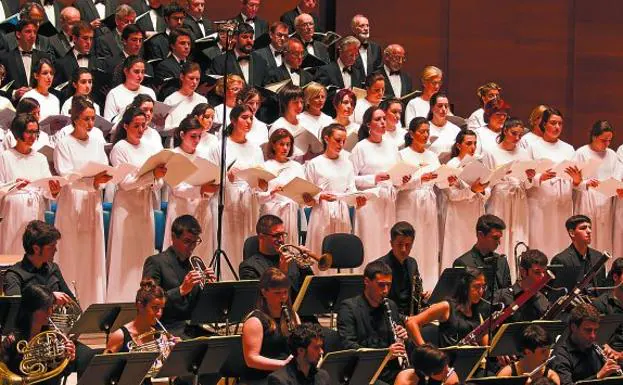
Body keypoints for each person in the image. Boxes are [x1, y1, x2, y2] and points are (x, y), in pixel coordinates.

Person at [53, 97, 110, 309]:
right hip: (72, 206)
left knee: (91, 256)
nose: (90, 123)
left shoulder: (96, 142)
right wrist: (91, 180)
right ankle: (69, 307)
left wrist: (99, 182)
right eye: (86, 119)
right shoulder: (64, 144)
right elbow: (67, 176)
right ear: (75, 119)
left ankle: (91, 305)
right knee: (71, 254)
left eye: (93, 119)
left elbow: (104, 171)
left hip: (92, 203)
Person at [106, 107, 167, 302]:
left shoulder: (149, 148)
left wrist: (156, 178)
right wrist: (150, 176)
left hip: (144, 207)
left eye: (143, 125)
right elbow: (124, 183)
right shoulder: (120, 148)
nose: (141, 129)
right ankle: (121, 299)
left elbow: (158, 183)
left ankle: (143, 299)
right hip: (126, 209)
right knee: (125, 257)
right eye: (136, 126)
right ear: (125, 126)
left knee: (143, 254)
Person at [206, 105, 265, 280]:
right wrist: (226, 176)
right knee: (229, 242)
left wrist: (262, 181)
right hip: (229, 200)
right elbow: (211, 178)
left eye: (251, 118)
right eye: (244, 117)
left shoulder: (255, 148)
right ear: (233, 120)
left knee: (248, 242)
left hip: (249, 202)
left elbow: (260, 178)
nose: (248, 122)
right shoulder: (220, 146)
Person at [351, 106, 410, 266]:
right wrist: (374, 178)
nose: (383, 122)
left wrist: (401, 181)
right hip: (369, 203)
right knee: (370, 241)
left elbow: (395, 175)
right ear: (368, 124)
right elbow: (351, 180)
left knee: (386, 241)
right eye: (378, 119)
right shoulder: (360, 147)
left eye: (384, 118)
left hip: (388, 201)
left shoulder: (391, 146)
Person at [142, 214, 215, 337]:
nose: (191, 247)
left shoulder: (194, 265)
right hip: (166, 328)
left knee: (225, 345)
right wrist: (181, 290)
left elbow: (200, 308)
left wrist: (211, 289)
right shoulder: (156, 262)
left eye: (195, 242)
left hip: (190, 328)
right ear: (174, 237)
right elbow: (148, 300)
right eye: (187, 241)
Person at [337, 260, 408, 385]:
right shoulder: (349, 308)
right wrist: (384, 354)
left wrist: (402, 338)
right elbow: (348, 346)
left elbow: (397, 346)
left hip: (390, 370)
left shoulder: (391, 306)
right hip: (364, 373)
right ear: (366, 282)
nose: (386, 290)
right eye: (381, 285)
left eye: (389, 285)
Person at [304, 123, 366, 257]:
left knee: (340, 253)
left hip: (341, 213)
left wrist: (357, 201)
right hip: (322, 213)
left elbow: (351, 190)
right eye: (338, 140)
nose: (341, 144)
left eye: (344, 141)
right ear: (326, 138)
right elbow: (308, 195)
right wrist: (319, 196)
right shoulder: (314, 163)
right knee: (320, 250)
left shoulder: (347, 164)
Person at [0, 115, 59, 254]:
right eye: (29, 132)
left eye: (36, 132)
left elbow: (47, 188)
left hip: (35, 212)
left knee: (34, 252)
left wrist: (54, 191)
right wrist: (14, 185)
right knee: (12, 251)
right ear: (18, 132)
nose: (33, 136)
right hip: (13, 215)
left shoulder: (40, 158)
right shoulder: (5, 157)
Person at [162, 115, 219, 261]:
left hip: (202, 209)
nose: (197, 141)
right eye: (193, 136)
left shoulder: (203, 156)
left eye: (199, 136)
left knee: (202, 252)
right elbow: (177, 188)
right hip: (181, 209)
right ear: (182, 134)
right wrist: (199, 189)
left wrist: (212, 187)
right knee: (180, 254)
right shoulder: (173, 155)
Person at [481, 118, 535, 269]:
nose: (517, 138)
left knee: (518, 235)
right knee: (500, 235)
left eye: (520, 135)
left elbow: (527, 184)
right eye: (514, 133)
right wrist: (499, 175)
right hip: (500, 198)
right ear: (505, 131)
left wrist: (530, 178)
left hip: (519, 198)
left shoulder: (524, 153)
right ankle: (500, 273)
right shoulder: (491, 152)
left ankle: (518, 274)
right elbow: (486, 180)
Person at [526, 107, 579, 258]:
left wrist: (576, 180)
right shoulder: (533, 147)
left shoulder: (568, 149)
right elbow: (525, 178)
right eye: (553, 123)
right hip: (540, 203)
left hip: (562, 203)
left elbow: (576, 178)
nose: (557, 127)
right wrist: (539, 177)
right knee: (541, 242)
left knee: (561, 241)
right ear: (543, 124)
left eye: (560, 124)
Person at [396, 117, 440, 291]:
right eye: (421, 131)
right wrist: (419, 179)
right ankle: (407, 286)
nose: (425, 135)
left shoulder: (433, 156)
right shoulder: (402, 154)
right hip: (409, 202)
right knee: (410, 241)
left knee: (428, 243)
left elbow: (439, 181)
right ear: (412, 133)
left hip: (428, 201)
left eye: (427, 131)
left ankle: (428, 287)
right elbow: (398, 182)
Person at [0, 285, 76, 385]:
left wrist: (69, 358)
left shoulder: (54, 338)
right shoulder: (12, 340)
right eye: (45, 309)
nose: (50, 312)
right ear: (31, 309)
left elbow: (62, 374)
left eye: (51, 307)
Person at [440, 131, 490, 270]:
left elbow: (488, 189)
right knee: (458, 247)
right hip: (458, 215)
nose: (472, 147)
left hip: (475, 212)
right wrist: (472, 190)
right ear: (458, 145)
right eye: (468, 143)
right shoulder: (452, 165)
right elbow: (452, 195)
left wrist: (482, 189)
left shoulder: (478, 163)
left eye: (474, 143)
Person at [240, 268, 298, 385]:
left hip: (286, 375)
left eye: (285, 292)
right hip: (261, 378)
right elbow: (251, 359)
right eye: (277, 293)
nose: (283, 297)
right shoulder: (255, 321)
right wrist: (283, 365)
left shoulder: (292, 315)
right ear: (264, 292)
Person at [406, 266, 490, 347]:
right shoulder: (446, 307)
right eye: (477, 286)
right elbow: (411, 322)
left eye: (483, 286)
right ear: (464, 287)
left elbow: (484, 347)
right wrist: (424, 349)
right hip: (448, 360)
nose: (481, 291)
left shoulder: (476, 312)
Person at [572, 120, 617, 257]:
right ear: (594, 137)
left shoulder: (612, 155)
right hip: (587, 199)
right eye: (604, 140)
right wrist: (585, 183)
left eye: (609, 140)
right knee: (588, 236)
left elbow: (616, 176)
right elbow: (573, 181)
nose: (607, 144)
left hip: (605, 200)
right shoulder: (582, 153)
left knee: (604, 237)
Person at [240, 214, 313, 299]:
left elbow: (310, 290)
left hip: (298, 311)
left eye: (283, 234)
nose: (281, 239)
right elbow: (257, 299)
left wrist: (305, 265)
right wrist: (282, 273)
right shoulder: (248, 267)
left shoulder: (293, 259)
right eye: (276, 235)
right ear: (261, 237)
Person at [3, 220, 74, 304]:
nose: (55, 250)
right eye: (51, 246)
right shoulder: (14, 275)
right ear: (36, 248)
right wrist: (51, 297)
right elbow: (15, 308)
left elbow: (71, 301)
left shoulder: (53, 268)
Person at [258, 129, 309, 245]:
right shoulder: (266, 166)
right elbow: (258, 197)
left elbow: (303, 191)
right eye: (281, 144)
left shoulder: (296, 166)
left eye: (288, 144)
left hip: (291, 212)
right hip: (272, 212)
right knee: (272, 245)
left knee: (290, 245)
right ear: (273, 145)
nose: (285, 148)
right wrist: (271, 192)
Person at [550, 303, 622, 385]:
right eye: (588, 330)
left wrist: (617, 362)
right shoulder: (560, 355)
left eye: (595, 330)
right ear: (574, 327)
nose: (593, 336)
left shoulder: (595, 347)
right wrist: (598, 377)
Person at [105, 279, 175, 355]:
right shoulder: (119, 336)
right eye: (155, 308)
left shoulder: (161, 337)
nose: (159, 313)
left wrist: (176, 351)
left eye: (162, 308)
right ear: (140, 305)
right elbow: (104, 365)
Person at [374, 221, 426, 317]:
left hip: (411, 317)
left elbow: (414, 297)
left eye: (408, 245)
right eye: (400, 244)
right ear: (391, 244)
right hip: (389, 317)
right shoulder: (379, 266)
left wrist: (422, 297)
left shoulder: (412, 263)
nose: (403, 249)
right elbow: (377, 303)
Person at [453, 214, 512, 291]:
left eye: (500, 238)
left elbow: (508, 292)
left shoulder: (502, 261)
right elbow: (461, 299)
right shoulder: (462, 263)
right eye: (495, 237)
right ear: (480, 235)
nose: (499, 242)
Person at [551, 215, 607, 288]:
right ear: (572, 233)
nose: (589, 231)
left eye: (590, 228)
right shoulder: (561, 260)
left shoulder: (598, 257)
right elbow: (557, 293)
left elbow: (603, 287)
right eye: (583, 228)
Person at [494, 249, 550, 322]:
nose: (542, 276)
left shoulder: (542, 299)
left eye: (544, 272)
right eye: (537, 272)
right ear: (523, 272)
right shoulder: (501, 296)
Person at [271, 84, 322, 161]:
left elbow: (317, 148)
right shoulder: (278, 126)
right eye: (295, 102)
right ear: (285, 103)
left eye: (302, 102)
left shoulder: (307, 120)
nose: (300, 106)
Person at [209, 22, 269, 88]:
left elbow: (265, 88)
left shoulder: (261, 61)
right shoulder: (220, 62)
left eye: (251, 37)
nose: (249, 41)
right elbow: (215, 89)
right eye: (244, 37)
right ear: (235, 38)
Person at [103, 55, 157, 123]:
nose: (140, 76)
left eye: (142, 72)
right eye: (136, 72)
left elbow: (154, 122)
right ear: (126, 71)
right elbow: (108, 125)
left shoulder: (149, 92)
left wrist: (160, 123)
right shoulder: (114, 94)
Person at [163, 61, 208, 131]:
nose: (195, 82)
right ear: (182, 77)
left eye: (197, 79)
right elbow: (164, 129)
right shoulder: (170, 100)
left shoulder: (203, 100)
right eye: (191, 78)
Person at [592, 258, 623, 354]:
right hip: (612, 357)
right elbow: (596, 338)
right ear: (615, 277)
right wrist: (614, 354)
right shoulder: (600, 304)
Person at [394, 344, 460, 385]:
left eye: (446, 364)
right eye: (442, 370)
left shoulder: (450, 377)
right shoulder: (405, 379)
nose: (448, 370)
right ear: (428, 373)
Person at [426, 92, 461, 163]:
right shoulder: (425, 128)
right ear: (432, 108)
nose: (444, 109)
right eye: (440, 106)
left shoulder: (456, 130)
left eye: (446, 106)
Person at [22, 58, 60, 122]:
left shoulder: (55, 99)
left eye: (51, 73)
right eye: (45, 73)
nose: (49, 77)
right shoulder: (28, 97)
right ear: (36, 75)